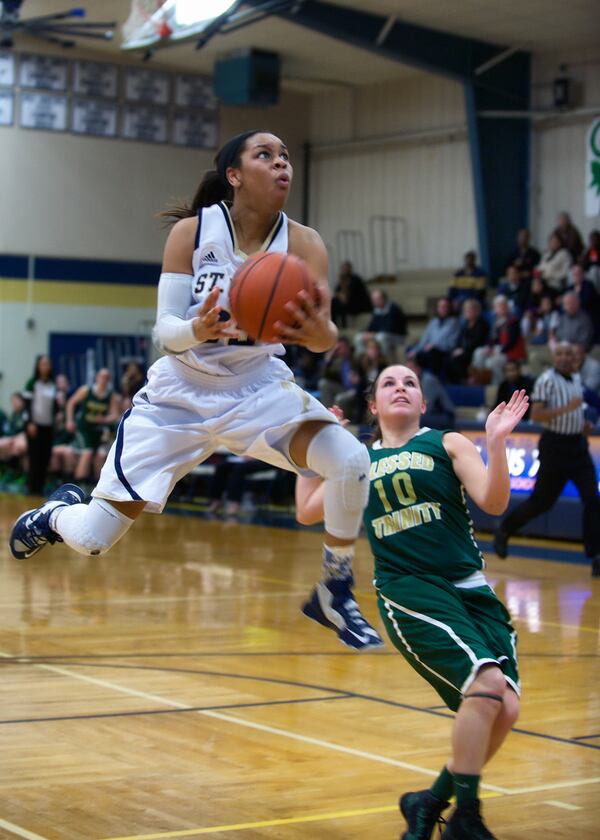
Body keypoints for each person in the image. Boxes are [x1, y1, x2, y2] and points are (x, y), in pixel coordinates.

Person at [8, 129, 382, 651]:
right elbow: (164, 330)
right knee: (94, 539)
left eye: (286, 157)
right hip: (177, 396)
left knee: (351, 459)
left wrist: (320, 334)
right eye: (266, 156)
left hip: (257, 389)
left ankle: (335, 589)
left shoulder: (304, 243)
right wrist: (198, 330)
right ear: (235, 175)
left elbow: (325, 338)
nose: (282, 166)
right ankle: (53, 515)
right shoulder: (192, 233)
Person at [295, 367, 529, 840]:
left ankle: (428, 805)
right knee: (484, 687)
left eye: (410, 383)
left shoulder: (447, 443)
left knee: (504, 707)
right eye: (388, 383)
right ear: (374, 406)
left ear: (422, 403)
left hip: (470, 588)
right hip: (409, 590)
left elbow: (494, 500)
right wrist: (310, 457)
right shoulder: (356, 458)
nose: (401, 386)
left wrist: (497, 441)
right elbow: (307, 510)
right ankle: (467, 818)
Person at [494, 343, 600, 577]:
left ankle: (596, 555)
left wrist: (580, 424)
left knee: (593, 499)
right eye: (561, 354)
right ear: (554, 357)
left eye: (570, 354)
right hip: (554, 447)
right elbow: (537, 414)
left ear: (576, 357)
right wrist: (566, 409)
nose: (565, 358)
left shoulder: (576, 378)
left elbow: (575, 409)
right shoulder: (546, 380)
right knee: (542, 502)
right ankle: (505, 528)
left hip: (577, 446)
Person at [66, 368, 122, 485]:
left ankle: (97, 486)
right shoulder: (86, 390)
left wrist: (105, 419)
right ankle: (78, 484)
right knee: (87, 452)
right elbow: (71, 403)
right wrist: (70, 420)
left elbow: (115, 415)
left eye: (106, 378)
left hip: (99, 429)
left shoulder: (111, 395)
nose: (104, 380)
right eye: (102, 377)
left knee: (100, 456)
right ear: (97, 377)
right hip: (84, 428)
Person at [22, 355, 58, 495]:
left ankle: (40, 488)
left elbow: (54, 405)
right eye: (42, 364)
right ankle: (32, 488)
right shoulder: (32, 383)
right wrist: (30, 422)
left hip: (48, 426)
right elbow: (27, 405)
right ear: (38, 366)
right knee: (34, 456)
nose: (45, 366)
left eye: (47, 364)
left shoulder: (52, 384)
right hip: (33, 425)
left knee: (45, 456)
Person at [470, 295, 527, 385]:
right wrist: (489, 347)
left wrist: (498, 351)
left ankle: (497, 385)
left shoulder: (513, 321)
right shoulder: (495, 321)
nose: (500, 308)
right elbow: (492, 339)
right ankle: (480, 380)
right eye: (498, 306)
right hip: (497, 349)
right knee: (479, 352)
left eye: (502, 305)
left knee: (491, 362)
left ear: (507, 307)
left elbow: (512, 342)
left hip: (510, 352)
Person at [408, 297, 460, 376]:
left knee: (433, 353)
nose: (442, 309)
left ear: (449, 308)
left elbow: (452, 343)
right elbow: (424, 340)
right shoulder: (433, 322)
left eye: (445, 306)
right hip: (429, 350)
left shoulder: (454, 323)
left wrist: (435, 346)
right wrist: (415, 350)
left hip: (443, 351)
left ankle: (433, 379)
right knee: (412, 351)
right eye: (440, 306)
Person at [354, 289, 407, 360]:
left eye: (377, 299)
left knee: (381, 337)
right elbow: (372, 326)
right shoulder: (376, 310)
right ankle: (362, 362)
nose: (375, 302)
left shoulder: (393, 308)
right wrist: (367, 333)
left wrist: (373, 334)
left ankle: (384, 362)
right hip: (380, 334)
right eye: (373, 299)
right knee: (359, 337)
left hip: (397, 336)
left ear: (384, 298)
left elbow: (390, 328)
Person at [446, 299, 490, 383]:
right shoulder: (465, 324)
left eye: (469, 310)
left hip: (474, 350)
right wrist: (457, 348)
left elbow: (478, 340)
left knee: (459, 358)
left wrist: (463, 349)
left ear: (476, 311)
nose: (466, 312)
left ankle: (463, 380)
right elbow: (460, 339)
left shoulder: (482, 324)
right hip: (464, 349)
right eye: (465, 310)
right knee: (448, 357)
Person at [330, 260, 372, 328]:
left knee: (340, 305)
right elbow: (338, 292)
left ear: (349, 269)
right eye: (342, 268)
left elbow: (351, 296)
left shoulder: (355, 279)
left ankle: (344, 326)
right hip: (348, 303)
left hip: (359, 304)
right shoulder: (342, 280)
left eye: (345, 268)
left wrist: (343, 296)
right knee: (333, 303)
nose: (344, 270)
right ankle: (334, 326)